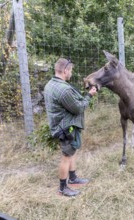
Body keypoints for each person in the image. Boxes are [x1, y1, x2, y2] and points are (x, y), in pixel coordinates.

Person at [44, 58, 97, 197]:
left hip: (59, 124)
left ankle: (73, 178)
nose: (71, 73)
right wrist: (89, 95)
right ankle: (63, 188)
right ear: (65, 70)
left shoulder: (50, 84)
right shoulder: (63, 90)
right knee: (66, 156)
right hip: (65, 128)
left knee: (71, 152)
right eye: (71, 71)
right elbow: (78, 108)